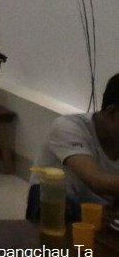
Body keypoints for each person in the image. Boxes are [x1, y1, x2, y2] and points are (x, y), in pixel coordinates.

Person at [29, 73, 119, 221]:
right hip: (56, 213)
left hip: (105, 217)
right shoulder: (68, 127)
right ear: (111, 112)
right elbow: (96, 180)